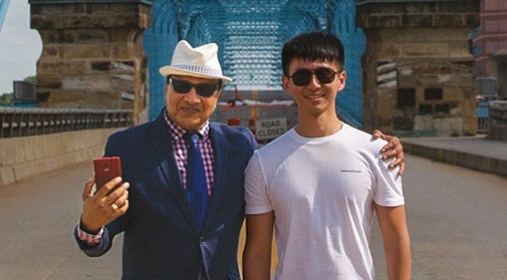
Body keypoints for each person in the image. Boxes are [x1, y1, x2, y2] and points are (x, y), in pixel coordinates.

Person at [74, 39, 405, 279]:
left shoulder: (241, 146)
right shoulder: (127, 145)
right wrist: (90, 224)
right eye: (182, 85)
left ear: (218, 95)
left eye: (204, 90)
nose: (192, 97)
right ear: (166, 86)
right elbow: (100, 238)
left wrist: (383, 148)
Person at [242, 32, 411, 280]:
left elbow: (396, 239)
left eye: (324, 75)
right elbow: (257, 250)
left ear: (341, 80)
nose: (313, 85)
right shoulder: (263, 162)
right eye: (301, 77)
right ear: (286, 83)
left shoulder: (378, 152)